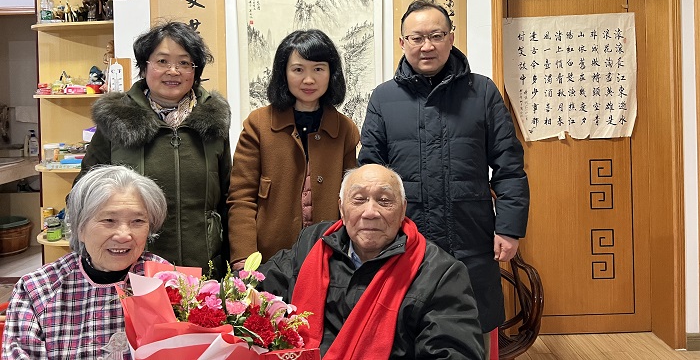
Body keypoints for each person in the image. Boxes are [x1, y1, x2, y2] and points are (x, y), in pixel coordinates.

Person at [358, 0, 530, 357]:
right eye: (417, 37)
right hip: (405, 240)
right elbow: (370, 174)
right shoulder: (384, 98)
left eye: (436, 36)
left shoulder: (482, 92)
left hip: (471, 236)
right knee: (406, 331)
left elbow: (509, 166)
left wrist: (509, 228)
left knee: (473, 330)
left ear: (451, 38)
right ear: (402, 43)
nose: (427, 45)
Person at [258, 164, 484, 360]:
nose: (370, 212)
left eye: (384, 201)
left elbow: (454, 352)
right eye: (359, 200)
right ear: (342, 208)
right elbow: (253, 293)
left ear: (403, 209)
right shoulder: (312, 244)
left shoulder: (441, 273)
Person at [75, 21, 232, 275]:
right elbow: (82, 195)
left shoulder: (213, 122)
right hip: (132, 266)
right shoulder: (116, 119)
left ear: (195, 71)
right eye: (162, 61)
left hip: (204, 264)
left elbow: (228, 198)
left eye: (184, 63)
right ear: (144, 66)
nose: (173, 71)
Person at [3, 165, 169, 359]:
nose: (124, 235)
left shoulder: (167, 281)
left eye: (138, 221)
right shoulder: (37, 290)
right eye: (109, 220)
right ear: (79, 228)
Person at [228, 29, 360, 268]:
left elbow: (351, 199)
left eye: (318, 69)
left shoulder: (345, 129)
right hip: (267, 259)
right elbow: (241, 197)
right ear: (284, 73)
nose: (308, 80)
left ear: (331, 73)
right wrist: (243, 258)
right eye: (298, 70)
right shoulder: (258, 124)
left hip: (328, 258)